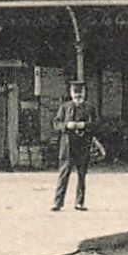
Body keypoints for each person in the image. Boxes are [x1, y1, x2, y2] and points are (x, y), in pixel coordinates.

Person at [52, 80, 97, 211]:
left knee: (82, 175)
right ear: (71, 93)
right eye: (75, 93)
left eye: (80, 93)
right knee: (63, 174)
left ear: (85, 93)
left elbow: (97, 124)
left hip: (83, 146)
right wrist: (66, 125)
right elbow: (56, 123)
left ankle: (79, 202)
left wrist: (85, 126)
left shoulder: (90, 108)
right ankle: (58, 202)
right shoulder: (64, 107)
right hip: (67, 147)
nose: (78, 96)